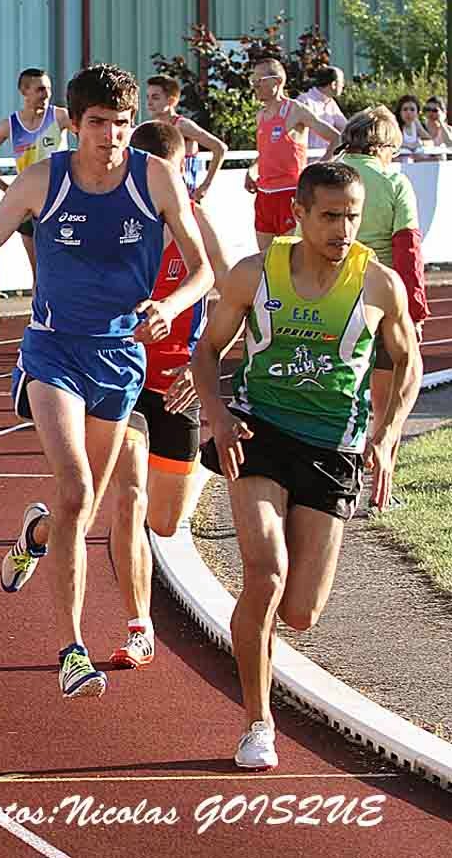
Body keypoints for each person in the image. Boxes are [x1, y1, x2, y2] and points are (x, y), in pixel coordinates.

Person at [0, 64, 213, 699]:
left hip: (121, 356)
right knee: (78, 485)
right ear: (74, 122)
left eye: (120, 123)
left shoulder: (155, 177)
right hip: (53, 350)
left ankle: (37, 535)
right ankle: (72, 648)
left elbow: (202, 271)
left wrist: (170, 308)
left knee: (75, 510)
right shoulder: (43, 180)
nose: (111, 136)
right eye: (97, 123)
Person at [191, 162, 421, 770]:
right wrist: (216, 414)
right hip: (259, 433)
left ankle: (260, 659)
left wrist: (388, 432)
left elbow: (409, 361)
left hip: (332, 448)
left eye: (352, 216)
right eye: (330, 216)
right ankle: (256, 721)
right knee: (264, 573)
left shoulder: (379, 286)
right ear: (298, 214)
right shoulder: (255, 274)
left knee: (301, 612)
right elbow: (207, 349)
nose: (344, 229)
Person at [104, 121, 230, 670]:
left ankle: (41, 529)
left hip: (180, 382)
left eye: (172, 176)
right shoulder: (113, 223)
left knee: (165, 521)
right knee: (129, 496)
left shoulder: (198, 227)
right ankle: (138, 625)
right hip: (122, 377)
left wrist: (206, 366)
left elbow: (238, 300)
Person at [334, 107, 430, 511]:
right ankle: (383, 460)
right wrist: (416, 311)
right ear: (385, 145)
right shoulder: (394, 181)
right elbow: (408, 250)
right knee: (397, 386)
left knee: (348, 389)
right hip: (383, 296)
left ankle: (344, 478)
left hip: (335, 293)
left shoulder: (330, 174)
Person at [0, 67, 73, 280]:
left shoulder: (60, 116)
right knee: (39, 273)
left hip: (60, 203)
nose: (46, 95)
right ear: (24, 91)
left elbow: (89, 136)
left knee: (64, 269)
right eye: (39, 90)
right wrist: (8, 189)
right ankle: (37, 314)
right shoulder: (10, 125)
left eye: (48, 89)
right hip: (28, 206)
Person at [245, 58, 341, 254]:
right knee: (266, 259)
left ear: (278, 81)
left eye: (260, 80)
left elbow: (336, 139)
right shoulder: (260, 115)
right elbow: (265, 152)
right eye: (253, 80)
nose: (255, 85)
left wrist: (318, 170)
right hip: (264, 196)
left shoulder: (295, 110)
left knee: (291, 259)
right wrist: (251, 170)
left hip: (290, 194)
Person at [143, 74, 228, 200]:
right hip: (158, 196)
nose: (149, 102)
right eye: (147, 97)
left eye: (155, 98)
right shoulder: (151, 126)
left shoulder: (182, 125)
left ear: (171, 101)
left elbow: (220, 148)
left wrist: (205, 185)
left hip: (183, 197)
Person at [294, 67, 348, 154]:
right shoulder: (304, 101)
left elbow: (345, 128)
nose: (343, 86)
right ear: (333, 84)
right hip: (308, 160)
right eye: (342, 82)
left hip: (326, 158)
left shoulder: (331, 103)